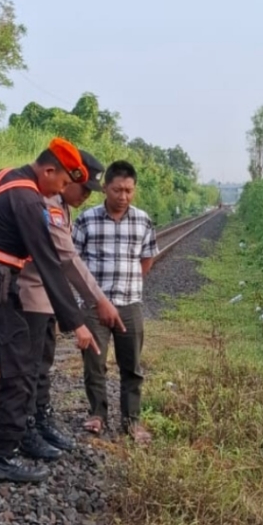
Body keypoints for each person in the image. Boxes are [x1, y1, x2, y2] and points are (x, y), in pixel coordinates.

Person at [0, 137, 100, 483]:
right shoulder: (30, 200)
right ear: (48, 170)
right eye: (62, 182)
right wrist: (76, 323)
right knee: (18, 371)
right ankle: (5, 456)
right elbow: (49, 264)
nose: (61, 190)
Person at [16, 149, 125, 460]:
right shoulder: (48, 203)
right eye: (85, 188)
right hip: (31, 294)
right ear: (68, 177)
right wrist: (99, 300)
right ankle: (27, 430)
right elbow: (67, 259)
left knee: (42, 367)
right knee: (31, 367)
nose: (87, 196)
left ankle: (40, 422)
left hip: (47, 297)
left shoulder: (62, 204)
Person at [72, 159, 159, 443]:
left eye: (129, 191)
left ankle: (131, 420)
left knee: (131, 365)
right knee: (94, 363)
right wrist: (86, 301)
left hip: (130, 303)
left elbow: (147, 258)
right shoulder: (87, 220)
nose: (123, 197)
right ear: (105, 188)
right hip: (95, 305)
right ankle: (97, 414)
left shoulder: (143, 220)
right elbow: (73, 262)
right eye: (117, 190)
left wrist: (129, 285)